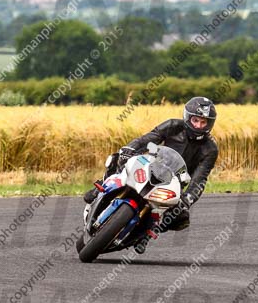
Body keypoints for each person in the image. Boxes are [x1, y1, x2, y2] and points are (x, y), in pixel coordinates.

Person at [83, 97, 219, 253]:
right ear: (187, 117)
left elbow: (200, 179)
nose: (199, 126)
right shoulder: (173, 125)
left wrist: (187, 199)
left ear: (210, 124)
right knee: (118, 157)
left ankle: (147, 233)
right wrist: (129, 148)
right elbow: (147, 139)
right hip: (152, 165)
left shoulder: (210, 149)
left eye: (204, 123)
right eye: (196, 120)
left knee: (181, 217)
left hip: (175, 181)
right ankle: (102, 187)